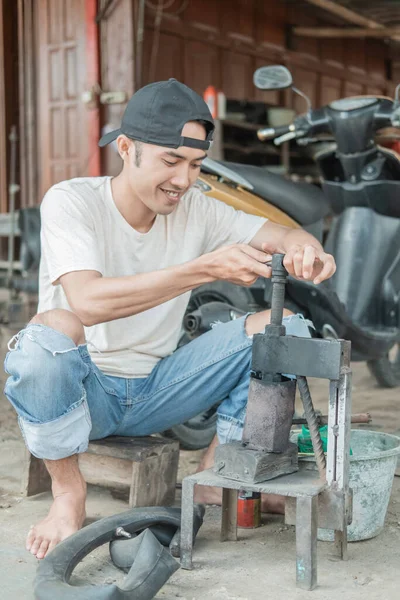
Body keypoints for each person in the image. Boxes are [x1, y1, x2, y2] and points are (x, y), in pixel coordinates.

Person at [3, 79, 336, 560]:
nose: (183, 180)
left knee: (285, 328)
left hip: (159, 390)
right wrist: (201, 269)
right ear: (125, 148)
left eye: (196, 165)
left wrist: (307, 249)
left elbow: (283, 232)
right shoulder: (72, 201)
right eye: (170, 160)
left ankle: (215, 475)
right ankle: (67, 495)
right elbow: (88, 302)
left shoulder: (197, 208)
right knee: (49, 335)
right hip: (84, 391)